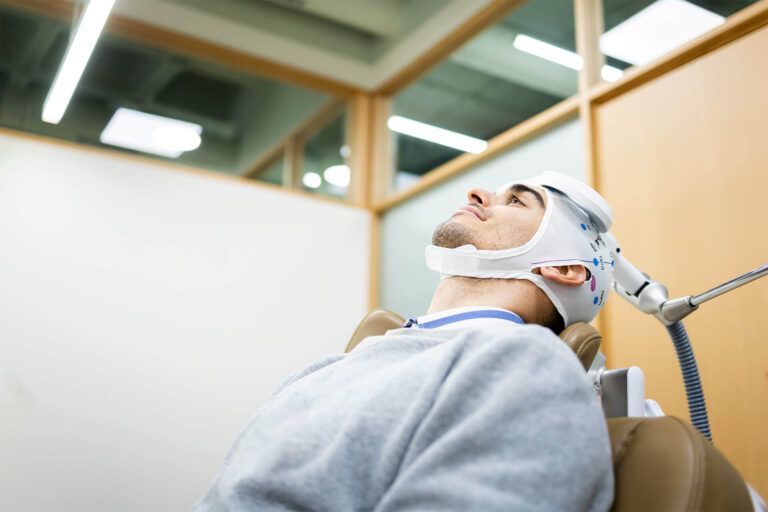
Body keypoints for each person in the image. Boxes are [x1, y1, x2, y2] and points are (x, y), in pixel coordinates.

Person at [194, 173, 615, 511]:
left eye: (516, 201)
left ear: (563, 267)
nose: (477, 192)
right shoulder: (329, 368)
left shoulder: (528, 368)